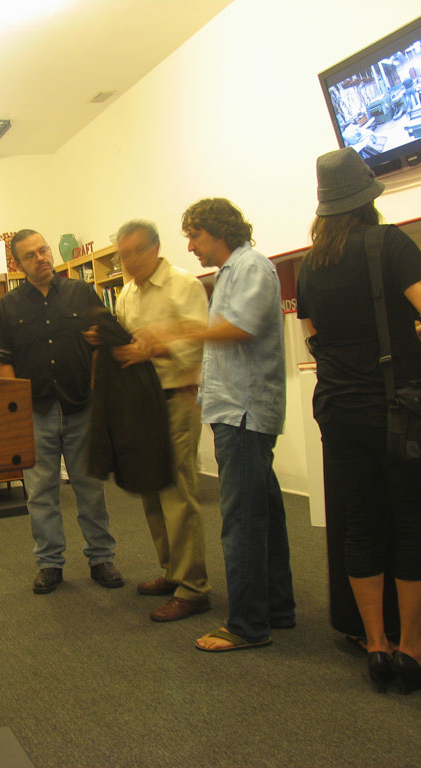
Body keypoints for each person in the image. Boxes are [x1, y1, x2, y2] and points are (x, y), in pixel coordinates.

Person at [296, 148, 421, 693]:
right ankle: (411, 650)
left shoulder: (310, 263)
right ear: (368, 198)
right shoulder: (389, 243)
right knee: (413, 521)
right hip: (399, 411)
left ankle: (374, 644)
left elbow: (313, 334)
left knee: (363, 522)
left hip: (339, 409)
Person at [165, 198, 296, 652]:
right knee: (266, 514)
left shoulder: (252, 266)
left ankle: (246, 626)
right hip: (234, 408)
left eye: (195, 236)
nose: (191, 246)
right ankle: (277, 608)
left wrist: (180, 332)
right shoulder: (230, 273)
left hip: (244, 412)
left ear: (220, 231)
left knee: (242, 520)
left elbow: (240, 328)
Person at [0, 230, 123, 594]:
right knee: (40, 492)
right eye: (30, 255)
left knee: (90, 487)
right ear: (18, 263)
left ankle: (101, 557)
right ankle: (49, 562)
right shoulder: (7, 306)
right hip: (36, 412)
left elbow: (101, 343)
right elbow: (2, 361)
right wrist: (16, 408)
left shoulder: (81, 292)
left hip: (81, 408)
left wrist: (94, 387)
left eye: (43, 250)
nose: (41, 258)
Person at [106, 219, 211, 622]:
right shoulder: (128, 293)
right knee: (151, 491)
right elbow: (128, 345)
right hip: (142, 404)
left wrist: (153, 350)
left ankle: (194, 588)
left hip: (176, 399)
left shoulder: (182, 284)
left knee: (178, 495)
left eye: (134, 252)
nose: (128, 261)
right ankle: (172, 572)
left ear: (154, 248)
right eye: (122, 254)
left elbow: (198, 341)